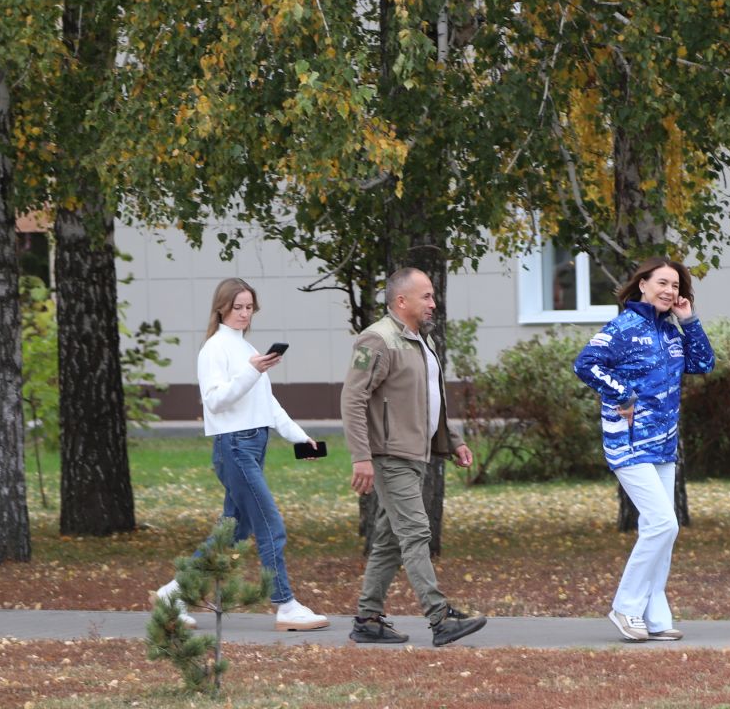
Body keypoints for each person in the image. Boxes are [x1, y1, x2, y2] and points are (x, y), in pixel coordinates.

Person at [154, 277, 329, 631]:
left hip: (251, 444)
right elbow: (216, 401)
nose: (244, 314)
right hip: (233, 445)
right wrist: (253, 370)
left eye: (249, 307)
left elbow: (268, 405)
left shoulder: (246, 348)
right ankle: (285, 605)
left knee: (232, 532)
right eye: (238, 307)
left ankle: (174, 593)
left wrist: (300, 437)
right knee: (270, 524)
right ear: (222, 308)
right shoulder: (214, 349)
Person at [341, 267, 487, 647]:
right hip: (390, 455)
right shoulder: (378, 340)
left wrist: (453, 440)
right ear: (400, 300)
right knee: (417, 531)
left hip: (414, 454)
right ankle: (439, 618)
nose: (433, 303)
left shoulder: (421, 341)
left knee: (390, 538)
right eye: (426, 296)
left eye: (433, 296)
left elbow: (429, 399)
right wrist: (361, 457)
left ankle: (368, 618)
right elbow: (352, 398)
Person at [572, 257, 716, 641]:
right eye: (663, 283)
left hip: (664, 445)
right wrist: (624, 394)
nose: (670, 291)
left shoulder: (670, 331)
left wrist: (689, 320)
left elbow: (703, 362)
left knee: (662, 531)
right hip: (628, 442)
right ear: (643, 285)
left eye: (676, 286)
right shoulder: (624, 327)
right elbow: (585, 364)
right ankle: (625, 607)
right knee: (663, 523)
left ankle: (655, 616)